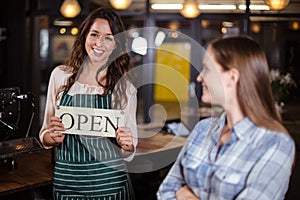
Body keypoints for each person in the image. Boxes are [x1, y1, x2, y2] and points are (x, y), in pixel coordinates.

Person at [157, 36, 295, 200]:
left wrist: (186, 195)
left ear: (232, 77)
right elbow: (166, 191)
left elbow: (176, 192)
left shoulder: (275, 144)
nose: (200, 77)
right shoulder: (202, 129)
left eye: (207, 69)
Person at [39, 7, 137, 200]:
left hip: (111, 186)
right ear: (84, 36)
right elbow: (44, 136)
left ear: (116, 44)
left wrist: (127, 145)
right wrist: (53, 136)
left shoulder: (125, 87)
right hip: (68, 186)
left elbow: (130, 150)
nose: (99, 43)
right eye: (94, 34)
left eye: (108, 37)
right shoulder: (61, 75)